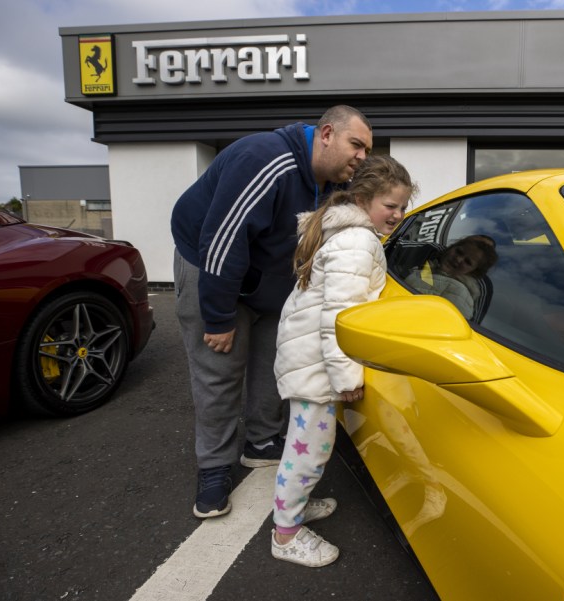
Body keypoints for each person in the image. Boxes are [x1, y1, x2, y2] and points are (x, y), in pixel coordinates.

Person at [171, 105, 373, 519]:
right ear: (328, 134)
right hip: (212, 268)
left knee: (272, 359)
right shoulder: (267, 159)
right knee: (219, 368)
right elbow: (223, 240)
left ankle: (260, 442)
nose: (362, 157)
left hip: (263, 279)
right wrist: (219, 317)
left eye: (368, 150)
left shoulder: (323, 181)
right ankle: (213, 467)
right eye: (357, 145)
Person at [271, 154, 415, 567]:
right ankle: (286, 534)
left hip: (309, 357)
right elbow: (340, 316)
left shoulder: (348, 232)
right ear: (365, 199)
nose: (398, 214)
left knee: (308, 446)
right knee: (308, 450)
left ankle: (296, 504)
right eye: (391, 206)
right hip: (318, 364)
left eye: (403, 206)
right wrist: (347, 376)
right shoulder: (358, 241)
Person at [403, 235, 498, 319]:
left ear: (474, 272)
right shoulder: (429, 255)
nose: (458, 259)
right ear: (452, 247)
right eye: (459, 252)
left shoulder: (462, 292)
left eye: (468, 262)